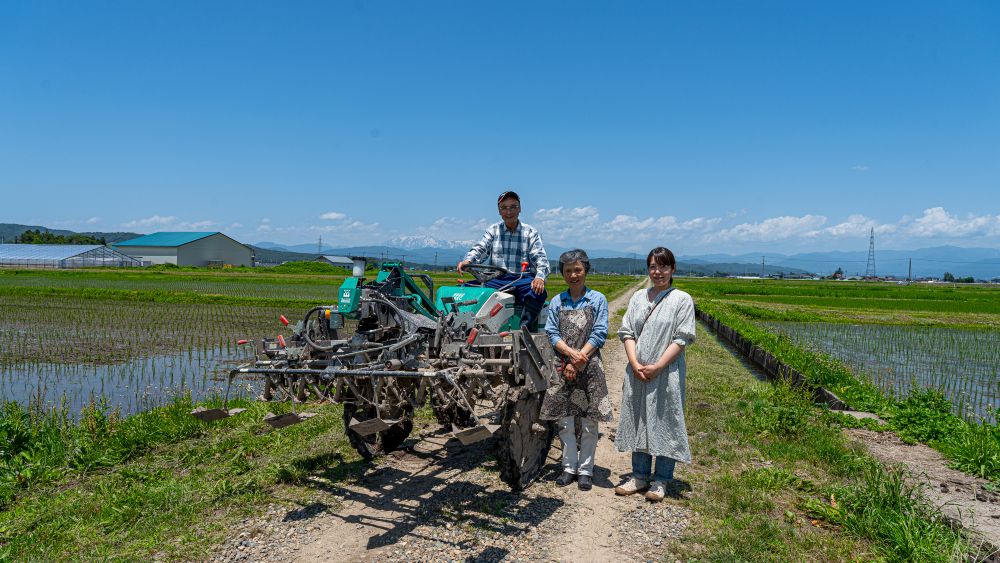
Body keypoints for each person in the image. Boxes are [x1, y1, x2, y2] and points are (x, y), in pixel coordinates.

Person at [614, 246, 696, 502]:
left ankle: (661, 479)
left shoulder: (681, 299)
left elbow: (682, 338)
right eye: (652, 266)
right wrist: (634, 362)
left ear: (673, 269)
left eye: (663, 267)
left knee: (665, 419)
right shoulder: (639, 297)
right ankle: (639, 475)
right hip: (637, 370)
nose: (657, 272)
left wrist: (659, 365)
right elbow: (627, 332)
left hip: (666, 371)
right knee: (639, 416)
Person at [538, 249, 612, 491]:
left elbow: (600, 332)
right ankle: (568, 467)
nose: (573, 275)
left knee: (590, 421)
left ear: (586, 271)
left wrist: (580, 359)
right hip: (563, 366)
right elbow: (551, 333)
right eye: (568, 271)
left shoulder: (597, 299)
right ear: (562, 274)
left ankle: (586, 470)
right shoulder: (558, 301)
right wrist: (571, 356)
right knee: (565, 420)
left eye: (577, 270)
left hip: (589, 366)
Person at [456, 191, 549, 330]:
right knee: (466, 291)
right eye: (504, 207)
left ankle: (524, 331)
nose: (509, 211)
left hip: (522, 278)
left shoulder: (530, 232)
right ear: (499, 211)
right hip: (497, 277)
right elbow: (481, 248)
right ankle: (466, 328)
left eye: (513, 207)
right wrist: (468, 261)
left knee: (537, 292)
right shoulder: (493, 231)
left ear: (519, 209)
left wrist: (540, 277)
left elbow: (540, 257)